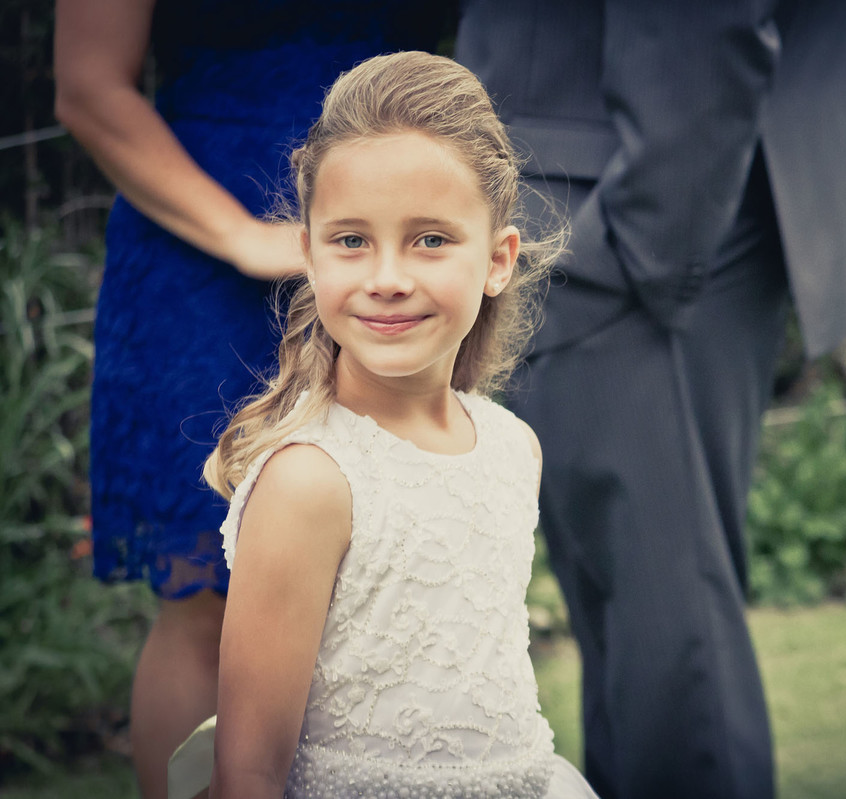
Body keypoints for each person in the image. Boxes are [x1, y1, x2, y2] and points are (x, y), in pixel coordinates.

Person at [456, 2, 846, 797]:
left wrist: (632, 246)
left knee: (672, 650)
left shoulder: (626, 250)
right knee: (634, 632)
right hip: (620, 210)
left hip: (633, 220)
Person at [173, 51, 596, 799]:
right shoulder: (311, 480)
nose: (388, 276)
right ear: (308, 252)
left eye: (431, 239)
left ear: (498, 260)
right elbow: (249, 770)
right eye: (351, 240)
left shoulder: (511, 447)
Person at [53, 3, 442, 796]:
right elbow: (88, 84)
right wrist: (244, 235)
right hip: (208, 258)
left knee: (394, 575)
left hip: (387, 246)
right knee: (206, 600)